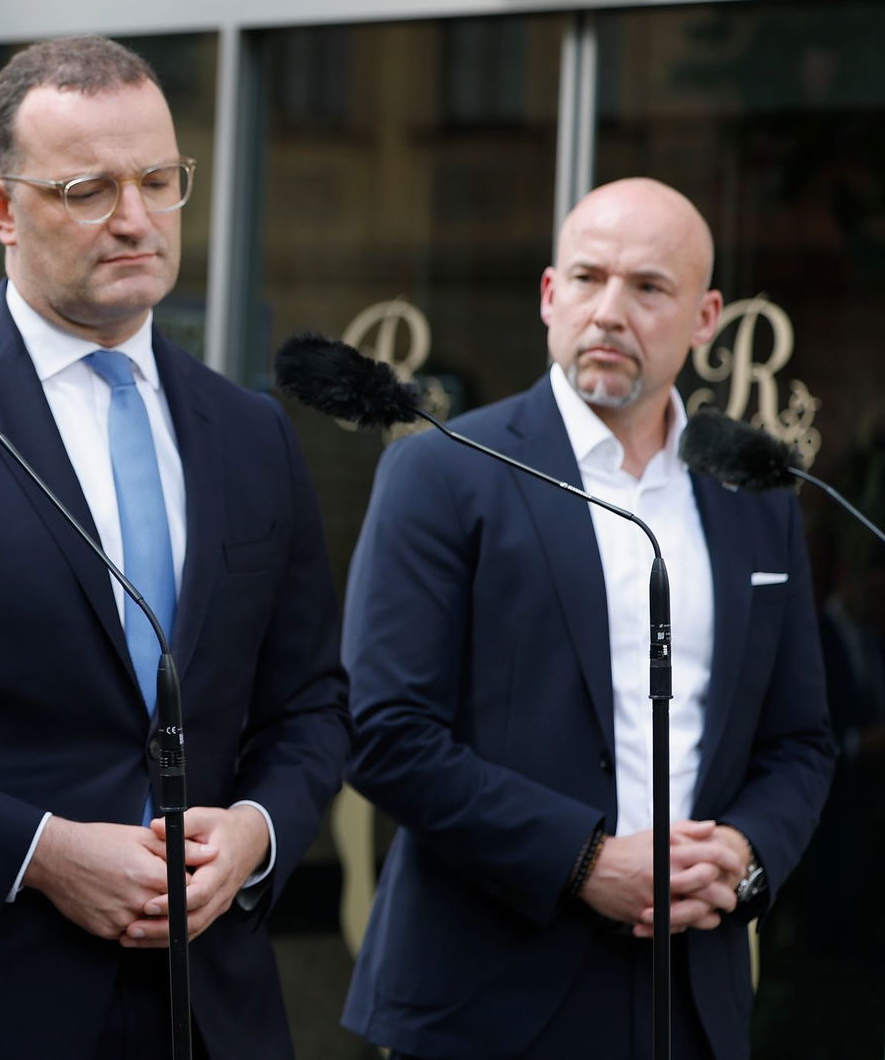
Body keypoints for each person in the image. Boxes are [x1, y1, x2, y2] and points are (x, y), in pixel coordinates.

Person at [0, 36, 349, 1060]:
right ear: (0, 210)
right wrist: (40, 853)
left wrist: (254, 834)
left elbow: (312, 706)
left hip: (211, 1007)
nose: (136, 219)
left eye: (159, 181)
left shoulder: (250, 432)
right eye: (88, 188)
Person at [340, 177, 836, 1060]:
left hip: (692, 995)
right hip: (484, 999)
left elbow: (799, 739)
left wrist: (745, 855)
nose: (609, 311)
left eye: (648, 287)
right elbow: (385, 732)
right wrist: (582, 860)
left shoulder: (755, 496)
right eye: (586, 278)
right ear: (547, 296)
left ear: (707, 317)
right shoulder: (445, 473)